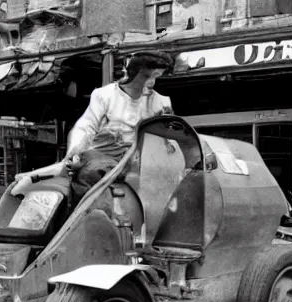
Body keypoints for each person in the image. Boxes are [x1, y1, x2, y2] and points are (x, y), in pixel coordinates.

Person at [11, 50, 175, 199]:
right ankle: (36, 180)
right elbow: (86, 125)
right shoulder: (105, 95)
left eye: (156, 77)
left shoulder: (161, 102)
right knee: (79, 168)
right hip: (107, 153)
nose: (152, 82)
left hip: (140, 160)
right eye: (148, 76)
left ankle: (36, 177)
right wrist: (75, 149)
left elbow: (168, 138)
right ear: (134, 74)